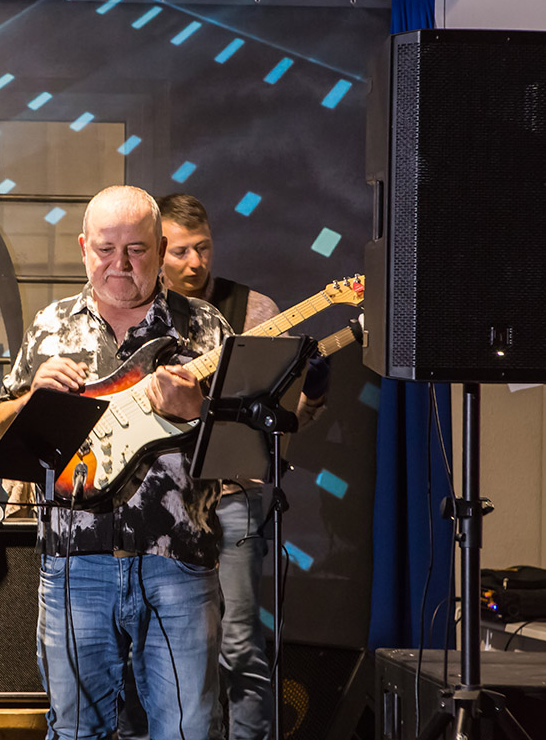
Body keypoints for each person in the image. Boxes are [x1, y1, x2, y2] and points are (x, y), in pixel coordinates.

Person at [0, 185, 232, 740]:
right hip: (74, 564)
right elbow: (0, 426)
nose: (119, 264)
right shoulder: (51, 327)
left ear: (160, 248)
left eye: (137, 250)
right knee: (77, 730)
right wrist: (31, 402)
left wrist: (198, 411)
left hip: (179, 561)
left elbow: (246, 445)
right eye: (105, 249)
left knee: (190, 730)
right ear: (84, 249)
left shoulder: (204, 327)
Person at [150, 193, 330, 740]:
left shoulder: (253, 310)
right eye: (180, 252)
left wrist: (313, 392)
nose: (195, 263)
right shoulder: (140, 312)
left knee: (240, 644)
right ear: (156, 251)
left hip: (232, 497)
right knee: (167, 647)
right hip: (160, 504)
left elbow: (285, 421)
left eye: (204, 248)